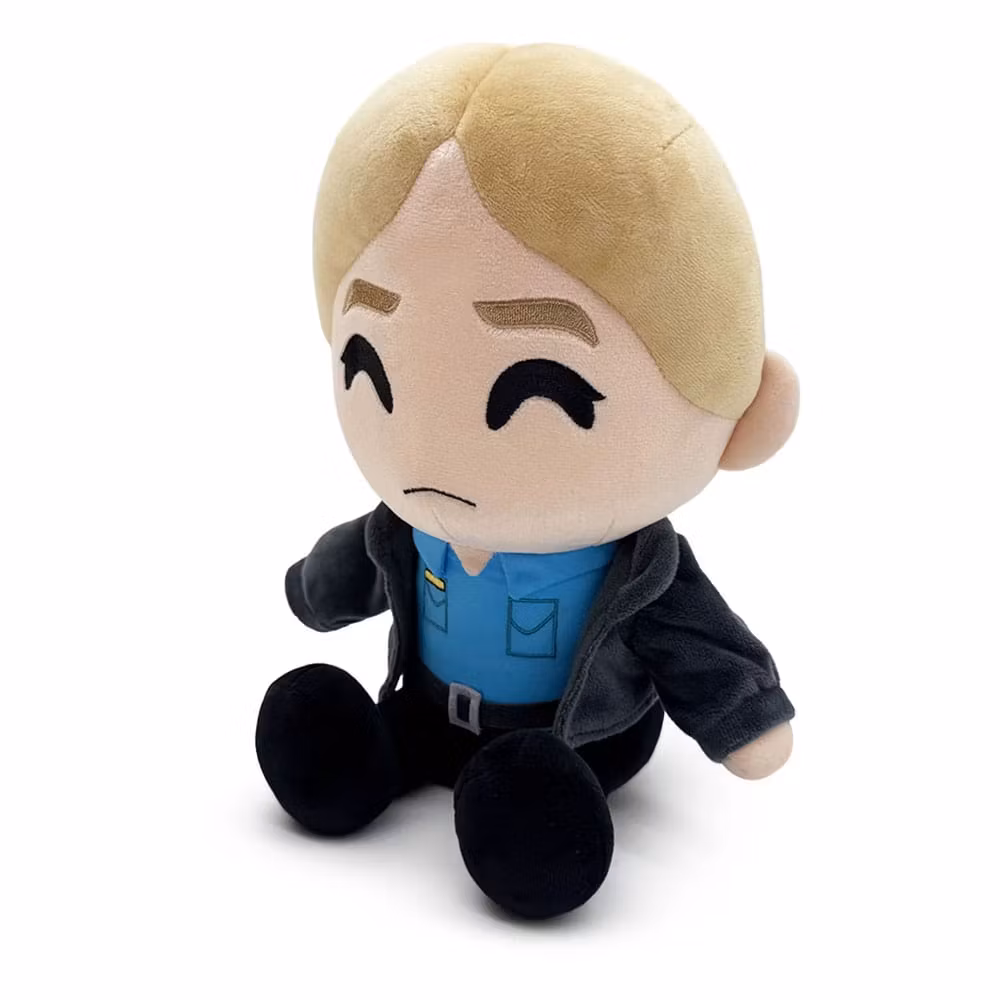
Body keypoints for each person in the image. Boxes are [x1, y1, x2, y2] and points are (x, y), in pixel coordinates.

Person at [256, 43, 800, 920]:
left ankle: (539, 802)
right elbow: (352, 565)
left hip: (577, 741)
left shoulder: (635, 568)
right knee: (317, 726)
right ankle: (371, 757)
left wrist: (748, 717)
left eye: (539, 389)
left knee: (535, 810)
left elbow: (697, 643)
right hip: (426, 710)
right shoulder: (407, 528)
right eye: (366, 362)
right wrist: (313, 586)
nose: (432, 449)